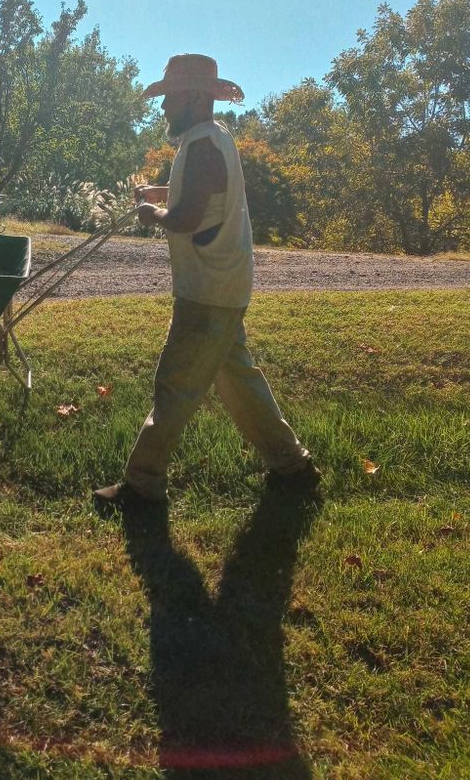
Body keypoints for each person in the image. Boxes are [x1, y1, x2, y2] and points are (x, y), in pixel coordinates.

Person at [93, 54, 320, 514]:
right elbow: (201, 196)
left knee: (175, 386)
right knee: (239, 381)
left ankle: (142, 486)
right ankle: (294, 468)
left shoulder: (200, 146)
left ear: (195, 97)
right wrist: (161, 194)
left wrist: (151, 213)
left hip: (206, 291)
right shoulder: (213, 138)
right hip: (224, 285)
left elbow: (186, 217)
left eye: (170, 97)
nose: (163, 107)